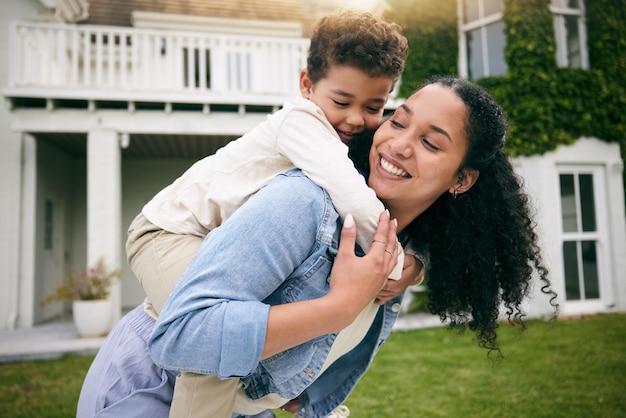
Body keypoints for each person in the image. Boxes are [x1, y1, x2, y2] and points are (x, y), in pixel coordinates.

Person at [77, 76, 558, 418]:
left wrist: (301, 391)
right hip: (151, 385)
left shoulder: (400, 250)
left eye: (431, 143)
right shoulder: (304, 201)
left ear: (463, 179)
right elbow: (186, 336)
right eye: (397, 121)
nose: (398, 144)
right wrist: (338, 307)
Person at [124, 11, 410, 418]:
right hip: (166, 232)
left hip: (207, 238)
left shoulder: (343, 136)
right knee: (218, 341)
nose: (355, 118)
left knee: (248, 337)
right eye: (342, 101)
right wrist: (393, 262)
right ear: (306, 85)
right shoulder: (301, 122)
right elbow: (353, 197)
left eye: (373, 106)